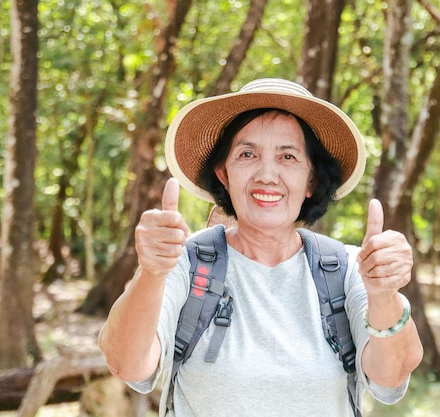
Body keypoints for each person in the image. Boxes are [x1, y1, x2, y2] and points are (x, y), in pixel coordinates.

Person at [98, 78, 423, 416]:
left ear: (311, 179)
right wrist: (151, 271)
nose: (267, 174)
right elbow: (128, 365)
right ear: (224, 173)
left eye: (288, 156)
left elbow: (391, 376)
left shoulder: (348, 268)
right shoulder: (184, 263)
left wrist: (384, 293)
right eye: (248, 154)